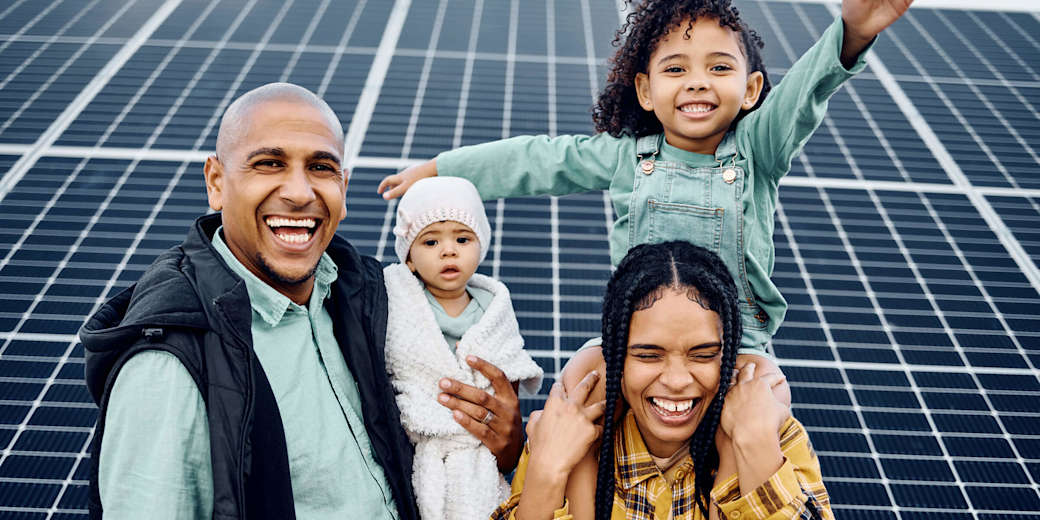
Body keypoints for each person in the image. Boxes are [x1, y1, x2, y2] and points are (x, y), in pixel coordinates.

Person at [378, 0, 912, 411]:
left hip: (736, 343)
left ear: (751, 90)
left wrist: (854, 32)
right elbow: (537, 160)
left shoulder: (757, 149)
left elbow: (804, 92)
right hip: (634, 338)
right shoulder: (628, 159)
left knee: (762, 416)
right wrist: (443, 168)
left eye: (719, 68)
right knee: (572, 395)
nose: (698, 80)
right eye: (676, 69)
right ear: (645, 89)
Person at [79, 83, 525, 520]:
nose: (299, 192)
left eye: (321, 167)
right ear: (216, 182)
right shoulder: (172, 364)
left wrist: (502, 446)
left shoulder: (372, 297)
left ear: (343, 187)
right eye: (269, 163)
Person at [491, 241, 831, 520]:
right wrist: (547, 471)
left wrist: (753, 442)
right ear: (615, 359)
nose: (678, 380)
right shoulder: (560, 437)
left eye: (703, 354)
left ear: (728, 357)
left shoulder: (774, 433)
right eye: (648, 355)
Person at [383, 176, 543, 520]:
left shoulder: (494, 308)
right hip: (421, 444)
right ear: (408, 259)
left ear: (480, 246)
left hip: (476, 454)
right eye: (430, 242)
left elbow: (505, 379)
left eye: (462, 238)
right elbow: (397, 364)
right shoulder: (399, 303)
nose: (448, 250)